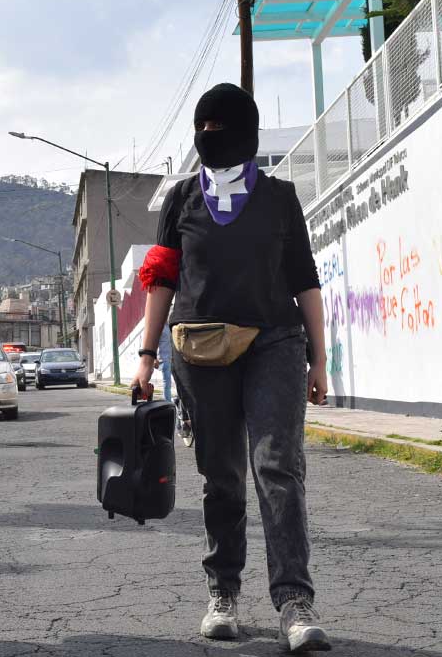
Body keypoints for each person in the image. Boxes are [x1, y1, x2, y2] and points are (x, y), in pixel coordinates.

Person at [131, 83, 331, 653]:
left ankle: (295, 601)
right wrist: (146, 358)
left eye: (223, 128)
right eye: (204, 128)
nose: (211, 137)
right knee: (221, 476)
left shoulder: (280, 198)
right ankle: (223, 593)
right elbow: (162, 280)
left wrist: (321, 361)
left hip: (276, 342)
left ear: (249, 133)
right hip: (200, 348)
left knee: (277, 469)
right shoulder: (179, 201)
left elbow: (305, 281)